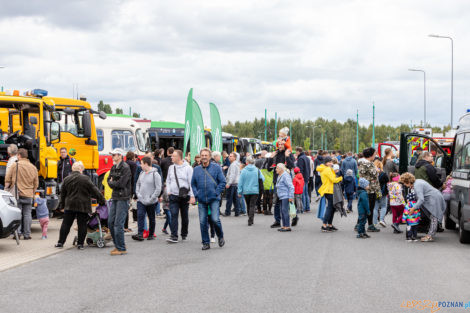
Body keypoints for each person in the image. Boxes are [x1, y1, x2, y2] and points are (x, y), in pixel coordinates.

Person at [55, 161, 105, 249]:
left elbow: (62, 194)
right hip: (83, 205)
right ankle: (80, 244)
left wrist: (62, 206)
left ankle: (60, 243)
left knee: (66, 224)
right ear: (81, 169)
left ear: (72, 169)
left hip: (70, 205)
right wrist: (102, 201)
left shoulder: (67, 179)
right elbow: (95, 190)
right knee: (82, 224)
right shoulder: (86, 179)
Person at [191, 148, 226, 250]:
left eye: (206, 155)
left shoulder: (216, 167)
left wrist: (216, 192)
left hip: (214, 198)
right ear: (200, 157)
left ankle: (220, 236)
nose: (204, 157)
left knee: (215, 219)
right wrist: (196, 194)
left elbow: (222, 182)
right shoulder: (196, 169)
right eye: (202, 155)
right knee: (202, 222)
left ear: (210, 157)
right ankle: (206, 242)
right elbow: (193, 183)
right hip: (201, 199)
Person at [400, 172, 446, 242]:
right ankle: (430, 234)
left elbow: (421, 199)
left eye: (405, 183)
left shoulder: (417, 185)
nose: (405, 185)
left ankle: (430, 236)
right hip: (435, 197)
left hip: (434, 199)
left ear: (408, 181)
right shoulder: (417, 182)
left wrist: (413, 208)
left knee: (434, 216)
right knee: (433, 217)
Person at [5, 148, 38, 240]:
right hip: (28, 194)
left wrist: (6, 189)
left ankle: (18, 234)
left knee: (18, 214)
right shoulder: (33, 167)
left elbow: (8, 179)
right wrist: (32, 191)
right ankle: (27, 234)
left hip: (17, 193)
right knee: (27, 214)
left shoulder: (15, 165)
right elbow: (36, 183)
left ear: (19, 155)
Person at [166, 150, 195, 243]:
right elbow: (168, 180)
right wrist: (169, 190)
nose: (171, 157)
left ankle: (184, 233)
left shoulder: (188, 168)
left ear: (179, 157)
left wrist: (192, 196)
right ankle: (174, 235)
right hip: (173, 195)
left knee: (184, 215)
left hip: (184, 196)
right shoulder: (171, 167)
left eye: (173, 156)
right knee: (173, 214)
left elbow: (192, 183)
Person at [107, 149, 132, 255]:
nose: (112, 156)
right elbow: (109, 180)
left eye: (114, 154)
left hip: (123, 197)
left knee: (118, 224)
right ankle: (118, 244)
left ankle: (121, 247)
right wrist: (113, 182)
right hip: (116, 196)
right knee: (110, 222)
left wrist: (113, 182)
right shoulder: (114, 167)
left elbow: (121, 184)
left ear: (120, 155)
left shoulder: (125, 167)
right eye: (112, 154)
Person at [132, 156, 162, 242]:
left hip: (151, 201)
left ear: (145, 164)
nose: (140, 165)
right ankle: (140, 234)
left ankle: (151, 234)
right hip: (141, 200)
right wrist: (138, 194)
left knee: (151, 218)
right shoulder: (141, 173)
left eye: (141, 164)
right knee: (140, 216)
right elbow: (137, 184)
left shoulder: (155, 174)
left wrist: (152, 198)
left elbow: (158, 189)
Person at [266, 142, 295, 228]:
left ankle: (293, 217)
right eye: (279, 144)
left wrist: (287, 156)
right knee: (277, 202)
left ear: (285, 145)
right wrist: (270, 158)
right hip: (277, 181)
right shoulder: (275, 154)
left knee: (286, 202)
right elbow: (268, 168)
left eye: (282, 144)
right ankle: (277, 220)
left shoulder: (288, 153)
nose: (280, 146)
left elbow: (291, 166)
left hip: (285, 180)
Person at [358, 147, 381, 232]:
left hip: (363, 187)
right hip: (370, 188)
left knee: (364, 207)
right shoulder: (369, 164)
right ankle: (370, 225)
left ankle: (358, 224)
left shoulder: (361, 162)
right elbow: (375, 173)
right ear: (370, 155)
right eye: (374, 154)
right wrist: (377, 170)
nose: (375, 155)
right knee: (369, 208)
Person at [317, 156, 343, 232]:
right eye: (329, 162)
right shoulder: (327, 169)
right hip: (330, 190)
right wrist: (340, 178)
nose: (331, 163)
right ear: (326, 163)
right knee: (330, 208)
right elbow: (333, 180)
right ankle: (324, 225)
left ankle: (329, 225)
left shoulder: (324, 168)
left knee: (332, 208)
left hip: (328, 189)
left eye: (331, 162)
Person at [238, 156, 264, 226]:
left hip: (246, 191)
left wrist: (239, 191)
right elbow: (262, 179)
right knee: (252, 205)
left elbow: (240, 182)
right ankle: (250, 219)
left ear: (247, 162)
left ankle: (249, 218)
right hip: (255, 190)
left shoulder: (243, 171)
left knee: (248, 205)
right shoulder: (257, 170)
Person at [275, 163, 294, 232]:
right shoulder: (280, 175)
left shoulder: (285, 175)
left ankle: (287, 226)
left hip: (285, 196)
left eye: (277, 168)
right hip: (281, 196)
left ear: (281, 169)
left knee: (285, 211)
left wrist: (291, 196)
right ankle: (284, 225)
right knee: (282, 211)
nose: (275, 169)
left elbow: (291, 186)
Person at [373, 160, 389, 228]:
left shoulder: (373, 174)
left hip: (374, 191)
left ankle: (374, 222)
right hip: (383, 192)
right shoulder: (383, 174)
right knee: (383, 206)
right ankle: (381, 220)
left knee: (375, 207)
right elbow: (387, 181)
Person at [224, 152, 240, 216]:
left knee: (229, 199)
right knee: (235, 199)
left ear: (235, 158)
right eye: (229, 156)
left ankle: (227, 212)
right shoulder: (236, 164)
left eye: (231, 156)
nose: (229, 157)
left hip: (232, 184)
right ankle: (237, 212)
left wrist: (228, 183)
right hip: (235, 184)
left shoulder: (233, 165)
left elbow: (232, 175)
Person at [295, 147, 311, 212]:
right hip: (306, 177)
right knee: (306, 193)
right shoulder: (307, 158)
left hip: (302, 178)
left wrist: (299, 178)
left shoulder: (300, 158)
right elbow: (309, 168)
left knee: (302, 193)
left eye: (296, 152)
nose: (295, 153)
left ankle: (303, 207)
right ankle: (307, 207)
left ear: (298, 151)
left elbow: (300, 169)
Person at [125, 151, 138, 233]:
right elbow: (135, 177)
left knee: (125, 207)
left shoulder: (124, 163)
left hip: (124, 187)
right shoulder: (134, 164)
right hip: (130, 188)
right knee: (128, 206)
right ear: (133, 157)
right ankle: (126, 227)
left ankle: (125, 225)